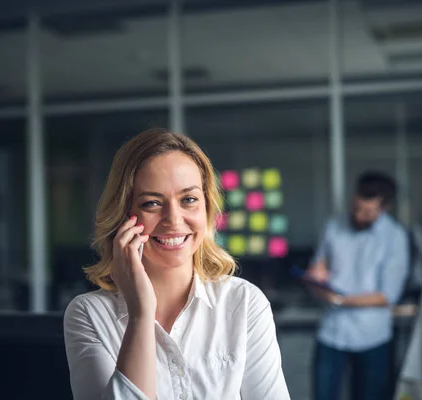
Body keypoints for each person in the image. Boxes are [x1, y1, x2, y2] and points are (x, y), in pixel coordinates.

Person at [63, 128, 290, 400]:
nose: (173, 219)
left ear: (207, 208)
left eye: (189, 200)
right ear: (124, 215)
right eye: (152, 203)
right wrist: (140, 315)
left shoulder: (244, 303)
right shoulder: (89, 314)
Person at [306, 171, 409, 400]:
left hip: (372, 336)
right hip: (332, 331)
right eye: (356, 207)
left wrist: (342, 300)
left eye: (368, 212)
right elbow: (319, 266)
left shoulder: (395, 237)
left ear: (385, 208)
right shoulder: (334, 225)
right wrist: (316, 277)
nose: (360, 216)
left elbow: (387, 295)